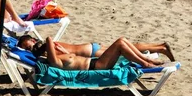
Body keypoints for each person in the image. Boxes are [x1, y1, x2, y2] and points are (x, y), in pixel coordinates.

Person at [18, 35, 175, 69]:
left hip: (92, 58)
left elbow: (49, 41)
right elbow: (49, 40)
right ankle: (148, 61)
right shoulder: (55, 61)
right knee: (122, 43)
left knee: (122, 42)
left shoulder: (59, 55)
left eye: (29, 45)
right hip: (95, 64)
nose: (29, 48)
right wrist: (45, 47)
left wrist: (51, 47)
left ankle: (148, 61)